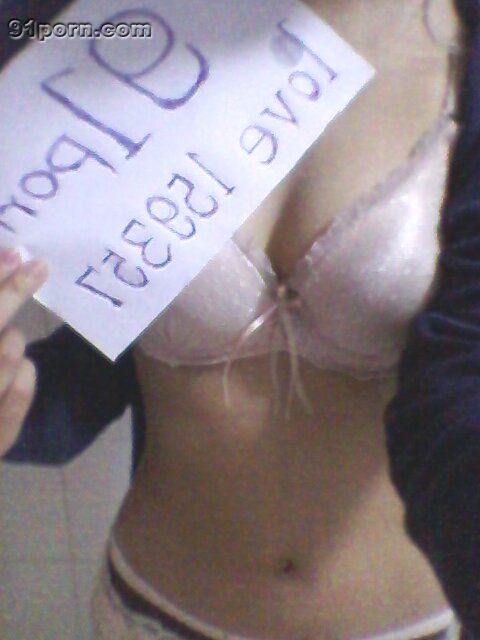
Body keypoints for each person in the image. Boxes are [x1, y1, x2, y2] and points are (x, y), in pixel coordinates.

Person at [1, 0, 478, 638]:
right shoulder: (103, 36)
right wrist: (18, 397)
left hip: (409, 620)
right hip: (155, 612)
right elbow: (93, 358)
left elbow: (460, 383)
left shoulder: (461, 56)